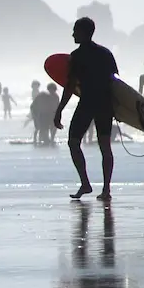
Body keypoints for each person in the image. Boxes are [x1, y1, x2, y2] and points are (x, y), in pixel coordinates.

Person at [54, 18, 119, 201]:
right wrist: (119, 110)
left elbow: (70, 85)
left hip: (88, 103)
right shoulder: (106, 53)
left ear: (83, 32)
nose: (73, 34)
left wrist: (59, 110)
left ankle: (85, 183)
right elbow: (116, 84)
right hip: (105, 104)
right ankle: (106, 190)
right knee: (105, 146)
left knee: (73, 143)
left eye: (75, 30)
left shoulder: (77, 56)